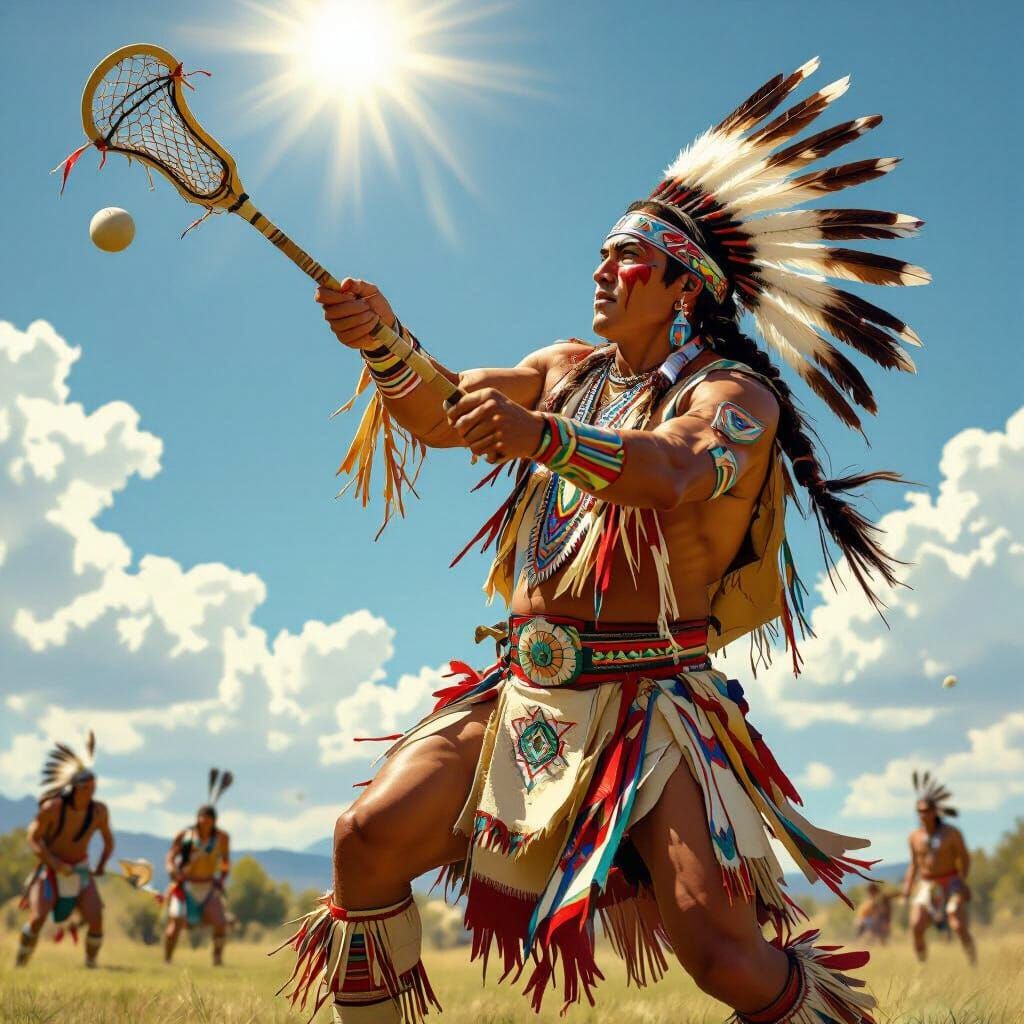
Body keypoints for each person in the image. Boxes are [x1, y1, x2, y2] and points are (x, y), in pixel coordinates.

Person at [281, 58, 929, 1024]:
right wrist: (381, 341)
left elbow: (670, 468)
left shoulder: (733, 398)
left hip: (652, 709)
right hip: (529, 688)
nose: (599, 269)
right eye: (601, 253)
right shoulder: (565, 369)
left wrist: (543, 437)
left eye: (625, 257)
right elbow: (444, 412)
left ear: (685, 287)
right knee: (365, 837)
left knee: (717, 950)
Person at [16, 733, 114, 969]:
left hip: (79, 870)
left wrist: (100, 866)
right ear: (74, 788)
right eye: (86, 787)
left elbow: (109, 842)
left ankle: (91, 963)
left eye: (94, 787)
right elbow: (34, 839)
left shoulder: (99, 812)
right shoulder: (52, 809)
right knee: (38, 919)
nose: (91, 791)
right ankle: (21, 962)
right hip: (50, 871)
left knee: (96, 919)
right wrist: (54, 863)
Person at [902, 773, 975, 964]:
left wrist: (962, 881)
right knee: (916, 926)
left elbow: (964, 857)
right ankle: (922, 967)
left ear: (935, 812)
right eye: (919, 811)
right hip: (927, 884)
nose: (922, 815)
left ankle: (972, 961)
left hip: (952, 882)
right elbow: (914, 864)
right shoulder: (914, 837)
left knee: (957, 924)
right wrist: (907, 890)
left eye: (926, 810)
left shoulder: (951, 833)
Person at [164, 769, 233, 966]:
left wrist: (223, 877)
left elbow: (225, 861)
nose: (204, 822)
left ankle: (217, 959)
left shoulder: (221, 838)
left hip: (209, 887)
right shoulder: (185, 836)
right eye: (202, 818)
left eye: (208, 819)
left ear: (213, 821)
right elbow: (171, 855)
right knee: (174, 925)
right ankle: (168, 960)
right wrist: (172, 869)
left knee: (220, 923)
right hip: (185, 888)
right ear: (198, 818)